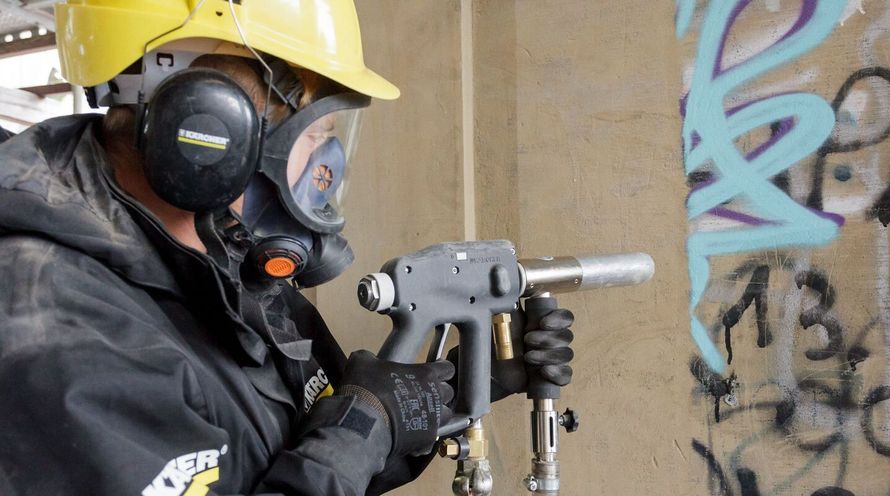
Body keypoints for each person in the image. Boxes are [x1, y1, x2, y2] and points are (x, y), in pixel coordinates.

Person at [0, 1, 574, 495]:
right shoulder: (56, 339)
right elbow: (337, 449)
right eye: (316, 131)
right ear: (207, 123)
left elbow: (306, 450)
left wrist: (460, 383)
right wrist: (361, 429)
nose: (327, 166)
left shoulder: (218, 251)